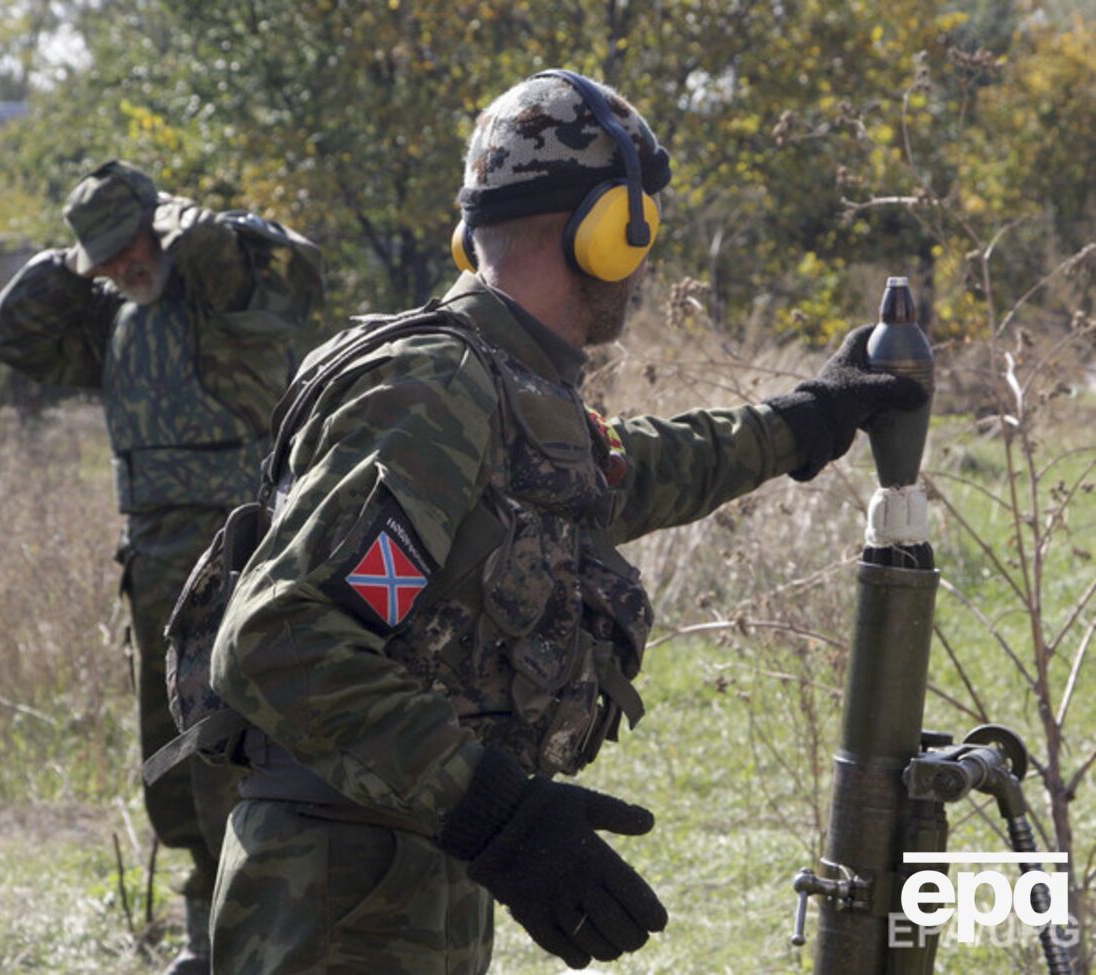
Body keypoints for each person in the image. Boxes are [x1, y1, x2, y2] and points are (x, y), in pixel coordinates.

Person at [205, 71, 926, 974]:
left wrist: (807, 419)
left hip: (390, 872)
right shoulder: (434, 387)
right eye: (645, 227)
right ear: (612, 230)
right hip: (338, 898)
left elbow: (626, 473)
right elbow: (276, 637)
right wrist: (497, 813)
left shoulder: (504, 387)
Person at [0, 160, 324, 975]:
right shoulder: (116, 317)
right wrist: (75, 259)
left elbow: (226, 245)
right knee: (172, 753)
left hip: (237, 549)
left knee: (232, 745)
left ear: (159, 224)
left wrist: (165, 219)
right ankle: (210, 936)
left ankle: (269, 938)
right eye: (101, 258)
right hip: (154, 564)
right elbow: (9, 332)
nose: (120, 267)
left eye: (127, 246)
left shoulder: (219, 283)